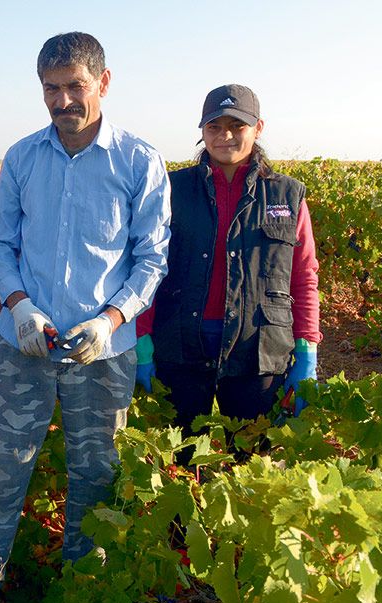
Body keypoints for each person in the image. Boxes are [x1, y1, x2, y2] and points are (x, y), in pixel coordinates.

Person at [0, 32, 171, 603]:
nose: (63, 99)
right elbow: (1, 246)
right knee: (0, 467)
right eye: (52, 88)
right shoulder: (22, 158)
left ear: (103, 82)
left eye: (75, 85)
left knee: (95, 476)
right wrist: (20, 306)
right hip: (25, 348)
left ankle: (83, 599)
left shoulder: (139, 161)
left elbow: (151, 259)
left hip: (103, 354)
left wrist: (111, 319)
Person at [135, 84, 320, 443]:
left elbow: (303, 275)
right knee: (180, 458)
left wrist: (306, 348)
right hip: (181, 346)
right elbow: (148, 267)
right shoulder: (172, 189)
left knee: (249, 460)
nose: (226, 136)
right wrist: (142, 342)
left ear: (258, 128)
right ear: (202, 131)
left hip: (258, 348)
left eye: (237, 126)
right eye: (215, 127)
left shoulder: (286, 194)